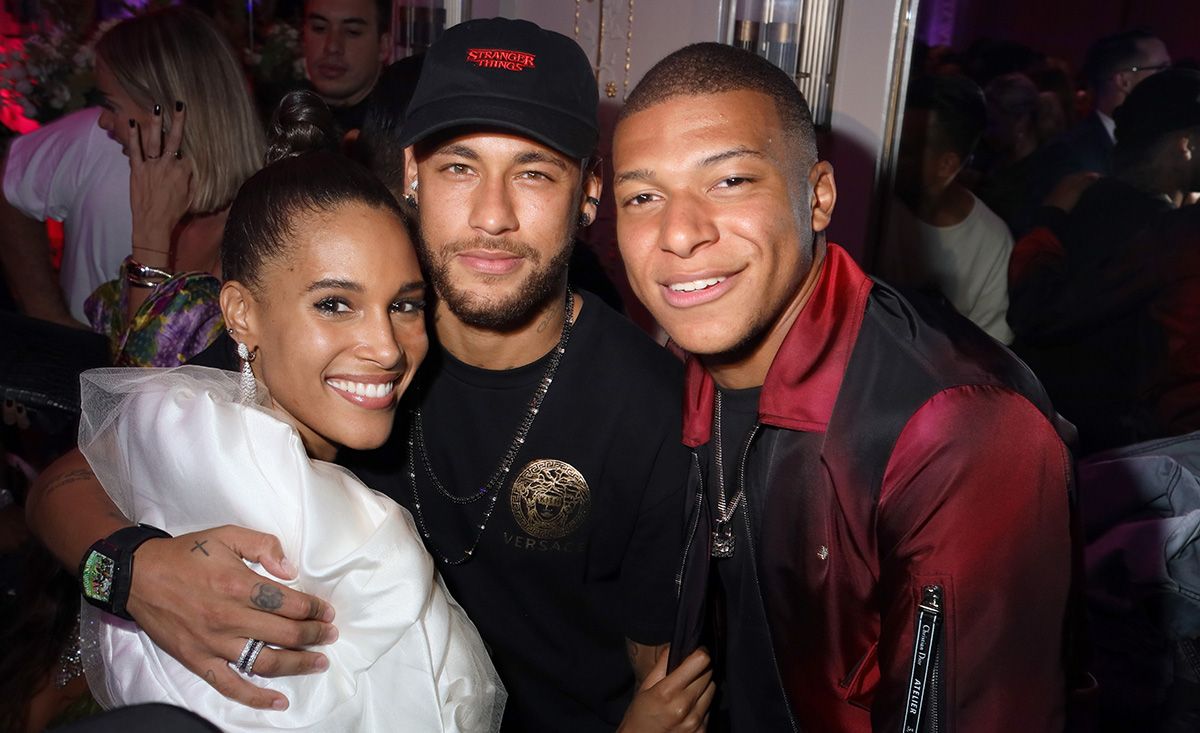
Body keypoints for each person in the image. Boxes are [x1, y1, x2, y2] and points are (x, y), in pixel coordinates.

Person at [29, 18, 705, 732]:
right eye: (459, 166)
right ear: (412, 172)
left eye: (534, 172)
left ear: (589, 192)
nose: (493, 215)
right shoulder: (337, 339)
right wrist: (133, 573)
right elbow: (62, 486)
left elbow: (662, 680)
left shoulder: (650, 407)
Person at [612, 42, 1077, 731]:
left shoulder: (957, 427)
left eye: (730, 181)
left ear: (819, 196)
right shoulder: (702, 365)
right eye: (644, 196)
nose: (678, 234)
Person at [48, 90, 504, 731]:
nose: (386, 347)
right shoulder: (363, 540)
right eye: (335, 304)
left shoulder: (177, 419)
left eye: (404, 304)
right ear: (242, 313)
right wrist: (127, 572)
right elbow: (57, 487)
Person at [1009, 68, 1200, 455]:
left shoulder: (1091, 201)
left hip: (1069, 434)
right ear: (1185, 146)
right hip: (1107, 448)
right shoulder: (1155, 231)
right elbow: (1039, 312)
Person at [85, 6, 265, 367]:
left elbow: (137, 398)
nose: (103, 121)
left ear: (163, 110)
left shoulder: (256, 229)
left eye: (111, 104)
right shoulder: (179, 217)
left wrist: (149, 244)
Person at [881, 74, 1015, 343]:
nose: (888, 154)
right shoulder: (869, 204)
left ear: (946, 165)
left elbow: (988, 354)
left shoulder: (992, 243)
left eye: (904, 149)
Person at [1, 107, 130, 327]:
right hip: (79, 351)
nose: (103, 120)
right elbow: (11, 189)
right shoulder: (97, 136)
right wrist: (47, 315)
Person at [301, 0, 390, 136]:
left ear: (383, 46)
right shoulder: (277, 119)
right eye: (319, 28)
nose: (332, 47)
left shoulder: (400, 130)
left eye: (352, 32)